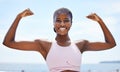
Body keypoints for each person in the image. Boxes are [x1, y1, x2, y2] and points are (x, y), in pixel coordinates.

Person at [3, 8, 116, 72]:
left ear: (71, 23)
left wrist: (100, 21)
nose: (62, 24)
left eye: (66, 20)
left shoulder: (81, 44)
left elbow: (111, 44)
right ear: (53, 23)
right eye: (58, 20)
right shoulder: (44, 45)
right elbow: (8, 42)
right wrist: (19, 17)